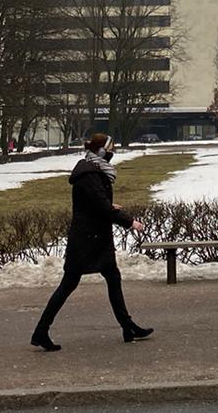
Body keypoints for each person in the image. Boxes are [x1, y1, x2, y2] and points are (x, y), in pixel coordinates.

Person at [31, 132, 152, 351]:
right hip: (87, 240)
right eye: (110, 148)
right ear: (101, 151)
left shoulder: (93, 171)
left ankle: (127, 326)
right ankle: (41, 331)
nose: (113, 152)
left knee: (112, 277)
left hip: (93, 238)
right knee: (69, 284)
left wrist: (109, 205)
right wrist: (130, 222)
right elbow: (101, 207)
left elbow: (95, 203)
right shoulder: (90, 175)